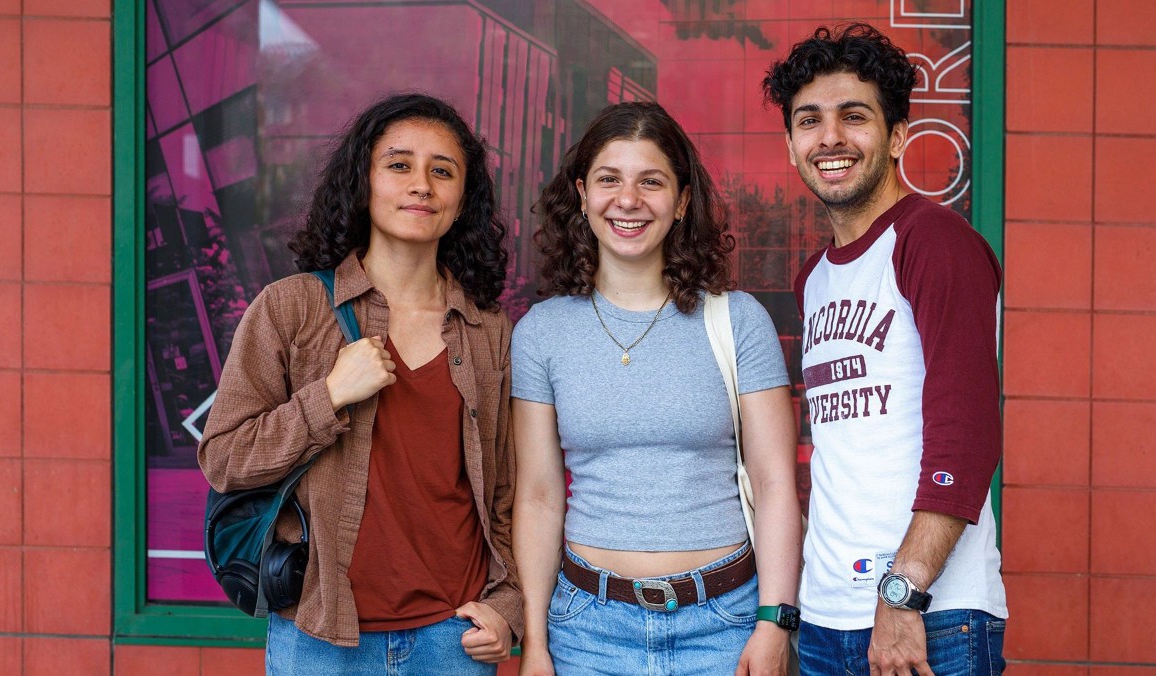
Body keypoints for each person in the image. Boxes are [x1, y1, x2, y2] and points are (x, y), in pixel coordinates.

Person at [198, 93, 521, 674]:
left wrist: (508, 607)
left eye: (441, 171)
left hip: (454, 637)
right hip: (321, 635)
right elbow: (224, 458)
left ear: (461, 198)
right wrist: (328, 397)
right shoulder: (290, 308)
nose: (420, 184)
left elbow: (506, 492)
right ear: (363, 181)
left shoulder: (486, 328)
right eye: (398, 165)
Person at [510, 101, 803, 676]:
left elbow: (773, 482)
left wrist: (773, 620)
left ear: (682, 200)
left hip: (725, 625)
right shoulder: (541, 332)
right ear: (582, 194)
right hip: (587, 629)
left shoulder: (738, 321)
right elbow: (540, 494)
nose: (628, 200)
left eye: (652, 181)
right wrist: (537, 643)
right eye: (609, 180)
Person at [761, 23, 1007, 675]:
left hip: (933, 616)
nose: (830, 138)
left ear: (897, 135)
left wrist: (904, 593)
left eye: (854, 116)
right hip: (826, 618)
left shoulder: (935, 242)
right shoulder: (813, 278)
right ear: (791, 146)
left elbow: (968, 436)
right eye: (809, 121)